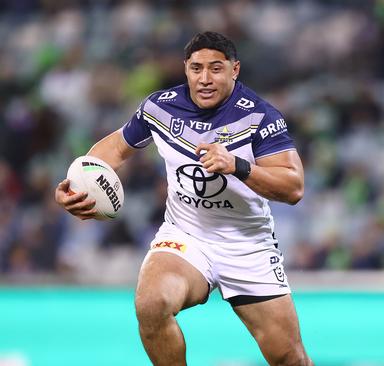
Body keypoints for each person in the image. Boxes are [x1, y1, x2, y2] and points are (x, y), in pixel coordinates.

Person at [54, 31, 312, 366]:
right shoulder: (160, 108)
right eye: (196, 68)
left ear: (235, 70)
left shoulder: (260, 117)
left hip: (247, 245)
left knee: (288, 358)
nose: (205, 78)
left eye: (216, 69)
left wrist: (237, 165)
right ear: (185, 69)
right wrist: (77, 183)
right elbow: (115, 148)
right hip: (186, 236)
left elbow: (293, 188)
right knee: (151, 304)